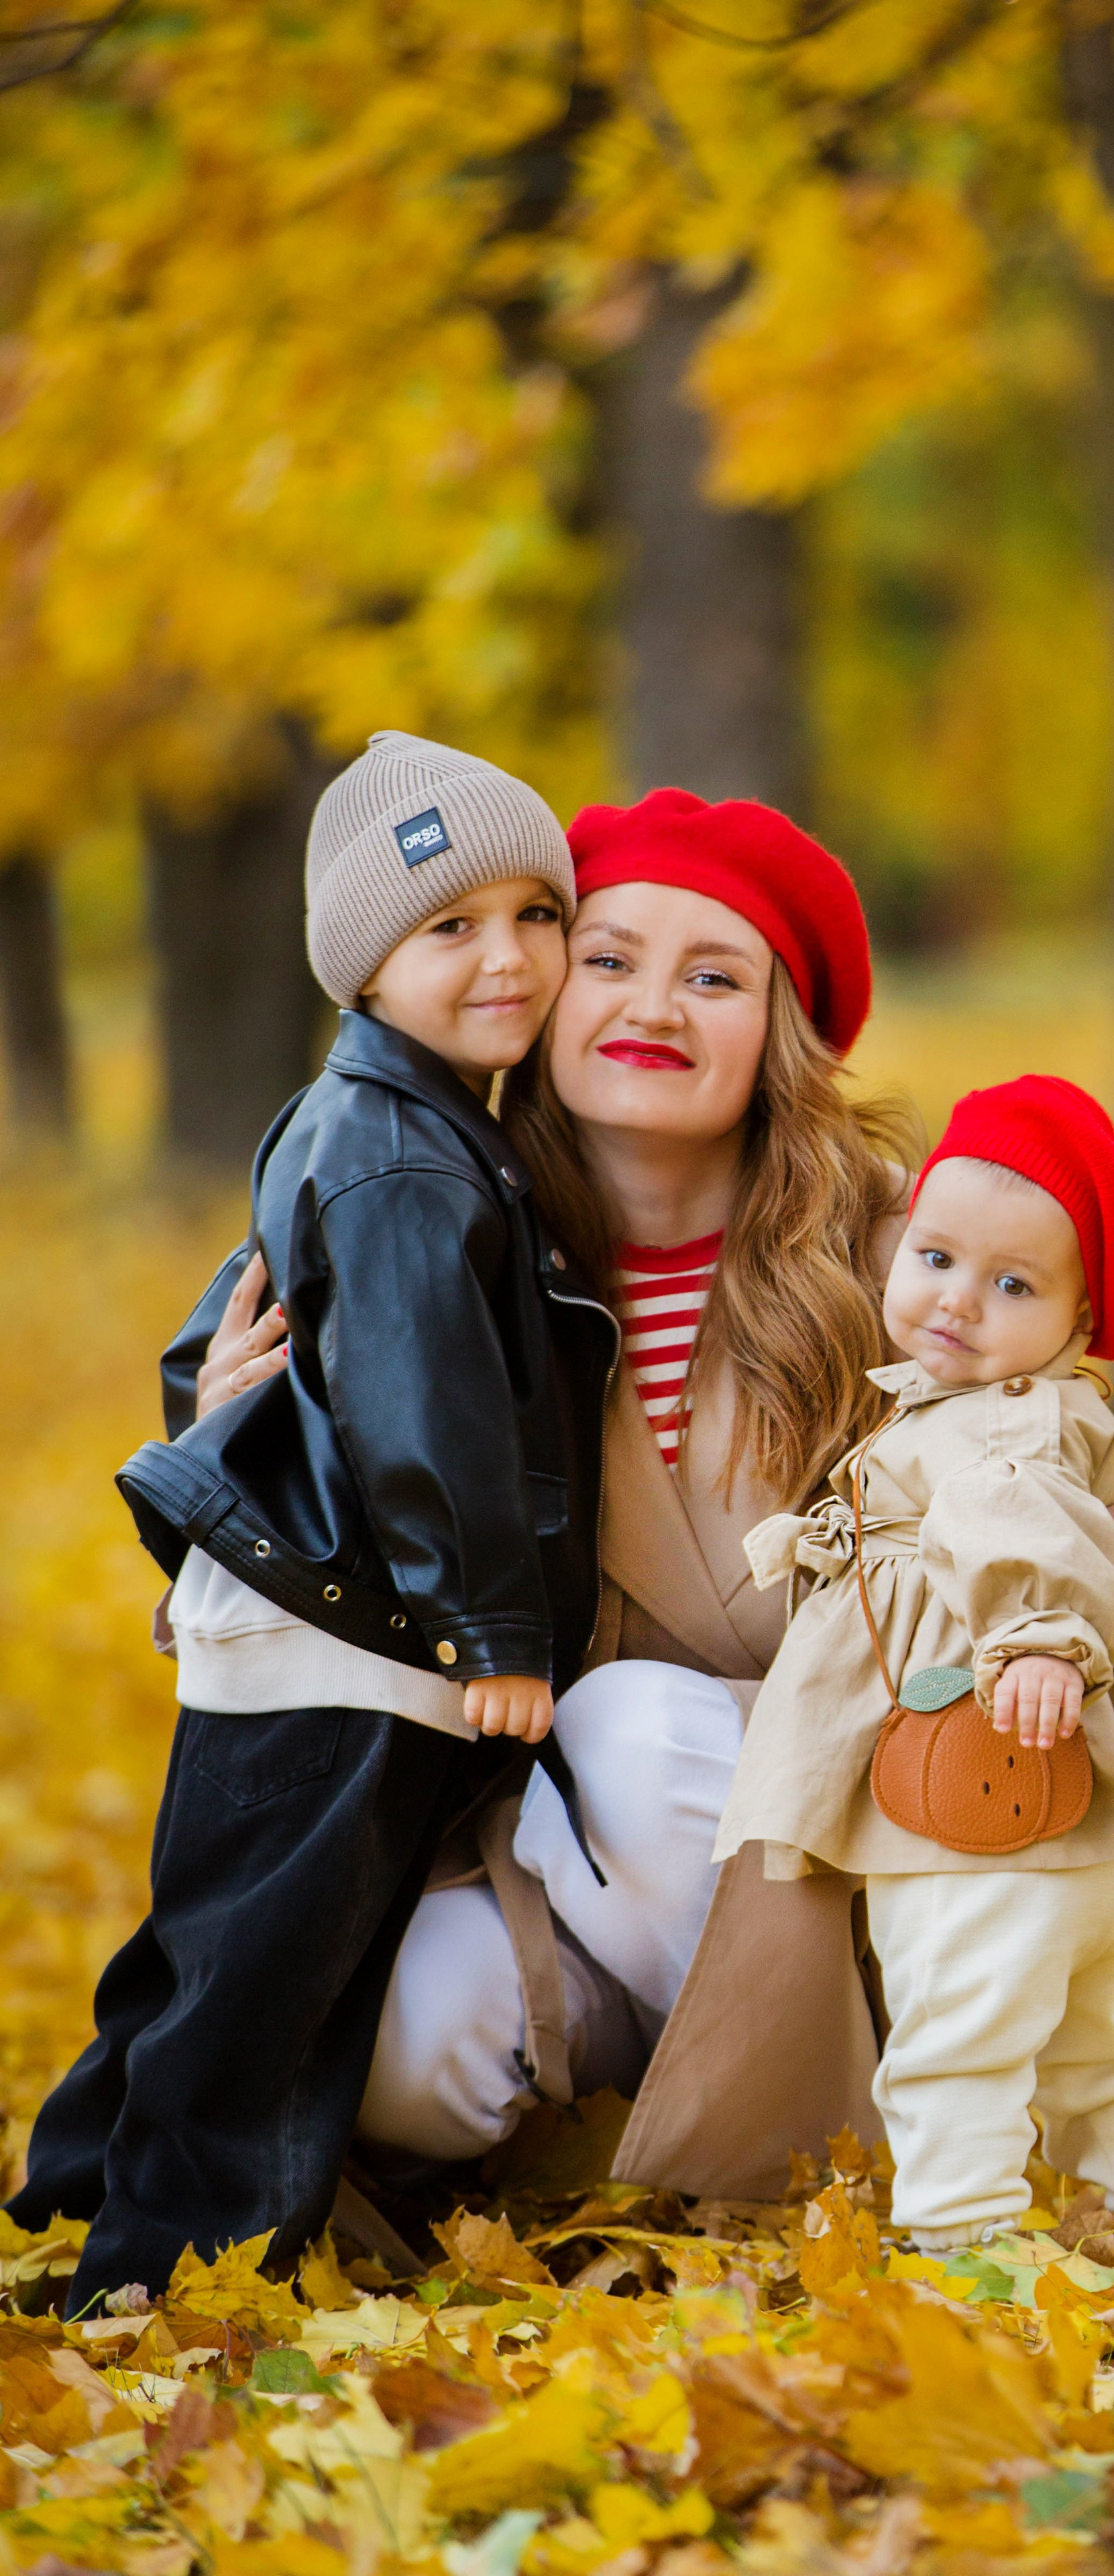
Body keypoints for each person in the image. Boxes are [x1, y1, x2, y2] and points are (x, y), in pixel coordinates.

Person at [201, 789, 1114, 2200]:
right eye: (608, 958)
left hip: (855, 1831)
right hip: (553, 1837)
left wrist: (1083, 1558)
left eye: (712, 976)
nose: (653, 1004)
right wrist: (244, 1440)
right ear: (539, 990)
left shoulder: (902, 1257)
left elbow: (1047, 1459)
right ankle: (654, 2113)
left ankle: (853, 2130)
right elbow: (301, 1554)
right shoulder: (427, 1227)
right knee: (406, 2050)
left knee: (642, 1730)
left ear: (777, 1031)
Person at [8, 733, 615, 2307]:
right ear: (365, 964)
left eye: (535, 914)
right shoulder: (396, 1150)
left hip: (330, 1625)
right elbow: (428, 1409)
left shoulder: (385, 1121)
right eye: (449, 928)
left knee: (211, 1946)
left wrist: (216, 1440)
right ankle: (164, 2273)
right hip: (354, 1641)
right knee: (263, 1980)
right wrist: (487, 1623)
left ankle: (73, 2193)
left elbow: (212, 1339)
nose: (508, 957)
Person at [712, 1077, 1114, 2249]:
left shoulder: (999, 1424)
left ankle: (961, 2247)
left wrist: (1044, 1641)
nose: (960, 1302)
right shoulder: (967, 1407)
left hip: (981, 1802)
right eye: (938, 1257)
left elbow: (1033, 1533)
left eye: (1013, 1285)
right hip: (1075, 1839)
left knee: (953, 2035)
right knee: (1097, 2039)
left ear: (1077, 1325)